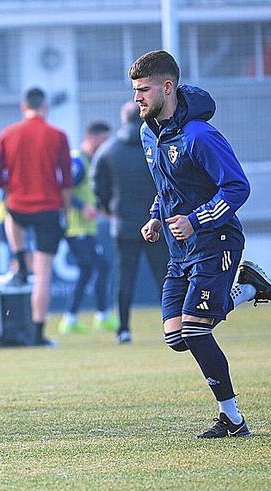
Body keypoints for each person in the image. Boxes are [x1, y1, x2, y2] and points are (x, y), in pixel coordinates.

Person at [131, 50, 271, 438]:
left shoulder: (200, 136)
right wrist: (156, 216)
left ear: (167, 88)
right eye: (134, 90)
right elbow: (168, 187)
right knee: (176, 337)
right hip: (179, 248)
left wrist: (195, 219)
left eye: (143, 90)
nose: (137, 98)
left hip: (217, 241)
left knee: (196, 331)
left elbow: (238, 187)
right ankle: (250, 287)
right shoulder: (149, 133)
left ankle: (232, 419)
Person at [0, 87, 71, 346]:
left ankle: (19, 257)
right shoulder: (57, 135)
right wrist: (64, 212)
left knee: (13, 215)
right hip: (48, 207)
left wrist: (11, 187)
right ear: (45, 106)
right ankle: (37, 332)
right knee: (44, 273)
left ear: (23, 106)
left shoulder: (7, 134)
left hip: (19, 206)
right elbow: (66, 180)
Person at [92, 102, 170, 344]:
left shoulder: (108, 150)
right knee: (166, 276)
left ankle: (123, 330)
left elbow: (98, 188)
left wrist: (108, 208)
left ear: (123, 119)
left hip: (123, 225)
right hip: (156, 222)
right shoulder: (157, 144)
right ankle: (173, 325)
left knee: (124, 278)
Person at [58, 121, 117, 335]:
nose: (106, 145)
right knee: (102, 266)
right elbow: (64, 190)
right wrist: (82, 207)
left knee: (87, 271)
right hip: (76, 228)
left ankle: (70, 319)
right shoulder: (78, 161)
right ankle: (102, 315)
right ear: (92, 138)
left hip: (85, 228)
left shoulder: (90, 161)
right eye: (103, 141)